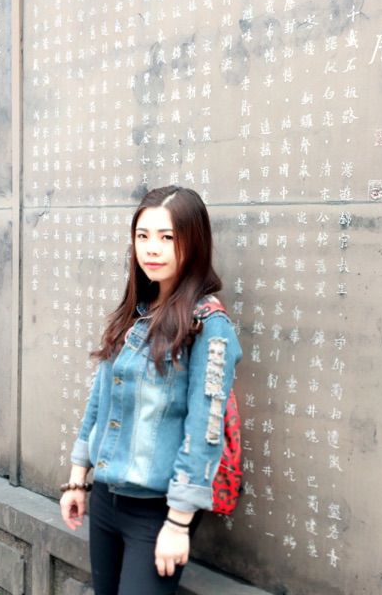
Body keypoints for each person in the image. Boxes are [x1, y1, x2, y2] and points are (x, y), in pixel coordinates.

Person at [59, 185, 242, 595]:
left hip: (157, 512)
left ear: (194, 242)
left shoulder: (208, 325)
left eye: (167, 237)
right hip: (105, 499)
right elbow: (100, 399)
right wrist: (77, 479)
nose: (152, 249)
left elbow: (205, 429)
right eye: (143, 236)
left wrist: (178, 523)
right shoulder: (135, 312)